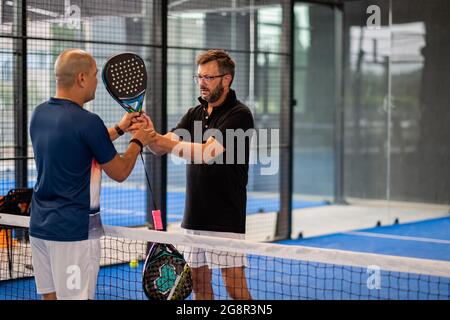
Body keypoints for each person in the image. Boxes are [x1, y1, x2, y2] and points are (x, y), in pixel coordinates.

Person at [29, 49, 154, 300]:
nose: (98, 81)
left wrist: (119, 129)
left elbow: (78, 145)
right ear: (82, 78)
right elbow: (119, 171)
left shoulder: (39, 114)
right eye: (96, 75)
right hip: (74, 233)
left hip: (40, 229)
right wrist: (138, 142)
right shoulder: (88, 121)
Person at [143, 49, 254, 300]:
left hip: (225, 218)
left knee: (235, 289)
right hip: (194, 217)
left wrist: (160, 140)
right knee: (200, 287)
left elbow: (207, 153)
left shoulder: (239, 114)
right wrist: (148, 134)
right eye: (199, 77)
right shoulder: (195, 113)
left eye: (209, 77)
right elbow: (161, 147)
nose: (202, 83)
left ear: (226, 79)